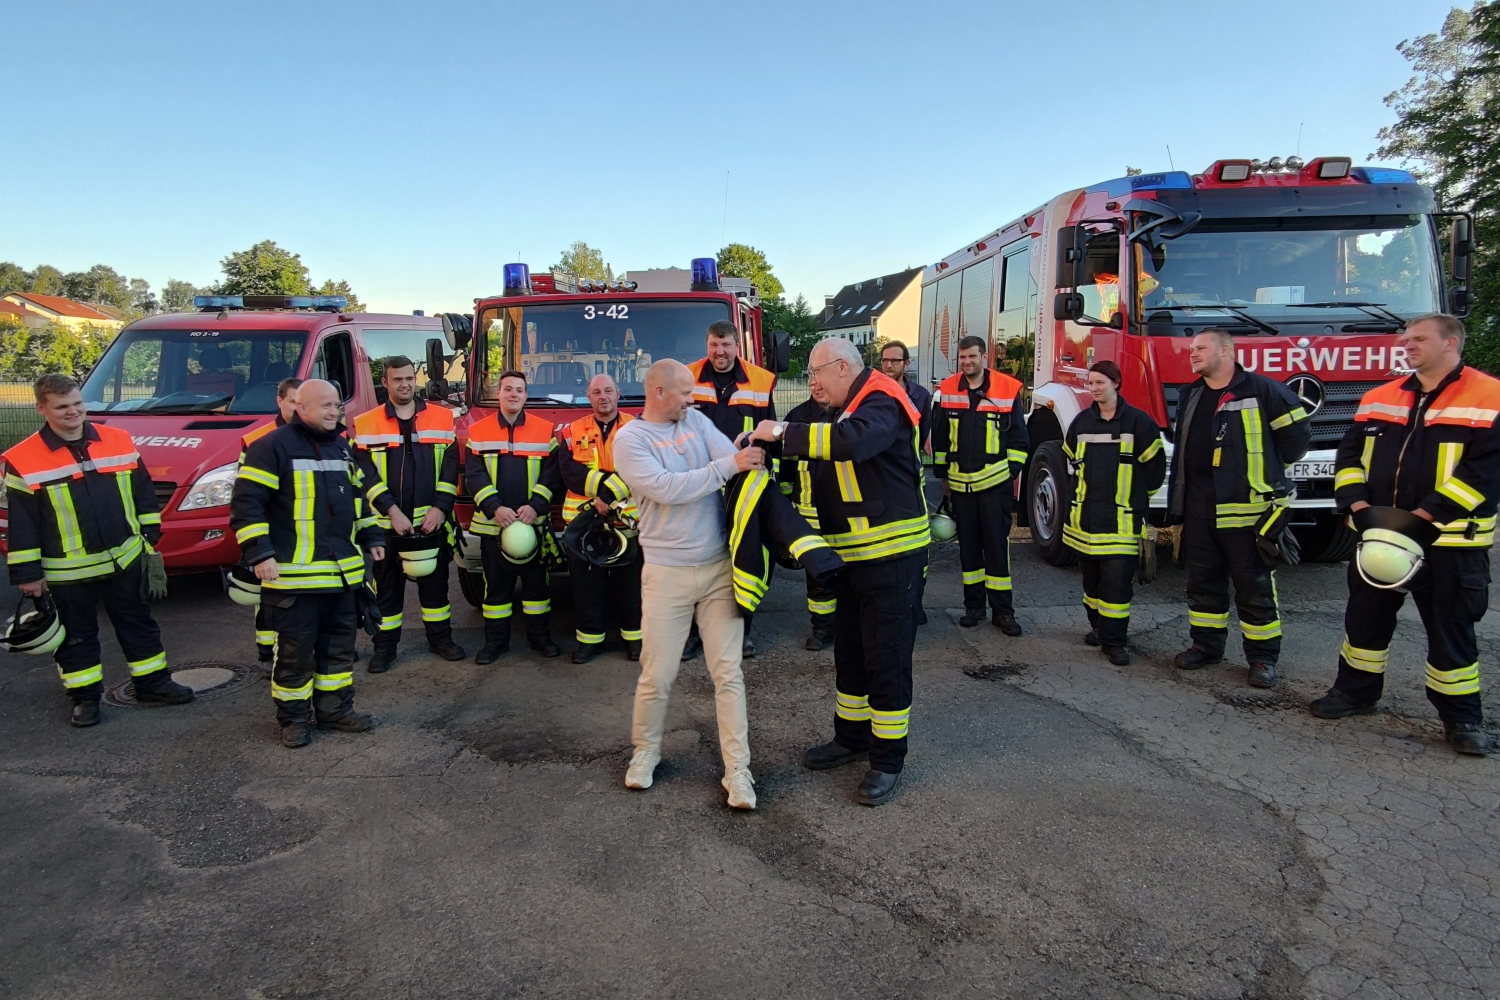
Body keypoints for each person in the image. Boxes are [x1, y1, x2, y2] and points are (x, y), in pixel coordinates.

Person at [748, 337, 929, 807]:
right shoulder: (842, 409)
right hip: (850, 559)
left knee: (886, 661)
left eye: (816, 373)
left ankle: (887, 761)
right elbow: (818, 453)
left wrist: (781, 432)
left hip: (891, 557)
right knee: (850, 654)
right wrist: (762, 450)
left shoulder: (882, 398)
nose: (811, 383)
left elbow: (852, 443)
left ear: (843, 368)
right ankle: (852, 738)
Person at [1314, 313, 1500, 754]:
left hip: (1450, 542)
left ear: (1450, 343)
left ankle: (1462, 719)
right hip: (1379, 537)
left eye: (1418, 338)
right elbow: (1349, 457)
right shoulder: (1380, 397)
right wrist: (1357, 506)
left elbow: (1484, 474)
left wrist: (1423, 517)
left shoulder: (1490, 396)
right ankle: (1354, 692)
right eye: (1406, 338)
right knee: (1365, 620)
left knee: (1451, 630)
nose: (1407, 344)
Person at [612, 359, 765, 810]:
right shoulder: (630, 440)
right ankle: (645, 752)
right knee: (657, 674)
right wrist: (729, 466)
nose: (691, 399)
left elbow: (727, 455)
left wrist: (746, 446)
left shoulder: (695, 421)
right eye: (683, 392)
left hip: (718, 568)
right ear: (658, 392)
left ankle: (738, 770)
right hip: (666, 573)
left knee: (728, 674)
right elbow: (667, 488)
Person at [4, 373, 193, 727]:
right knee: (76, 637)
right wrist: (28, 575)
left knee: (139, 625)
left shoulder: (118, 439)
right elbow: (22, 523)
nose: (73, 411)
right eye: (62, 406)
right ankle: (85, 698)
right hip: (67, 569)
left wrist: (149, 532)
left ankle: (153, 683)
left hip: (125, 557)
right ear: (41, 409)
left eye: (77, 403)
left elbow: (142, 490)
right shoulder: (23, 458)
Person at [231, 379, 385, 748]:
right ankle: (294, 720)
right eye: (326, 406)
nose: (335, 411)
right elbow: (246, 506)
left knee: (338, 651)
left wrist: (372, 538)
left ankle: (335, 711)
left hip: (341, 576)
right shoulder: (270, 448)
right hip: (293, 579)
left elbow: (358, 501)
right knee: (294, 655)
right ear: (301, 408)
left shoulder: (342, 448)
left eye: (337, 405)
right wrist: (260, 554)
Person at [1163, 330, 1311, 688]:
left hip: (1248, 511)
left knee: (1254, 587)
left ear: (1226, 351)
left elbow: (1296, 443)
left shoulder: (1265, 391)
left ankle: (1262, 659)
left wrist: (1266, 474)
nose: (1192, 354)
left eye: (1201, 348)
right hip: (1199, 507)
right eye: (1191, 349)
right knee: (1202, 583)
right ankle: (1205, 646)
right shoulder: (1191, 394)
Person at [352, 356, 464, 673]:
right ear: (385, 383)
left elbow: (450, 469)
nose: (404, 384)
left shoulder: (442, 418)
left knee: (436, 591)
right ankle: (385, 649)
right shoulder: (366, 424)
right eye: (397, 379)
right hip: (388, 526)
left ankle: (440, 640)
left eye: (409, 379)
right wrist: (391, 510)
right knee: (387, 593)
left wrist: (440, 508)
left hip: (431, 523)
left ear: (416, 381)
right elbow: (364, 475)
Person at [1062, 361, 1166, 666]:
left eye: (1100, 383)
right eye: (1091, 383)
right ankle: (1098, 627)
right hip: (1085, 523)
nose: (1094, 388)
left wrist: (1136, 500)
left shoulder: (1138, 423)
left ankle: (1115, 642)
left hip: (1122, 522)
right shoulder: (1081, 423)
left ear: (1116, 383)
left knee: (1117, 586)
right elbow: (1071, 468)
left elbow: (1155, 472)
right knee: (1091, 585)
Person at [687, 320, 778, 658]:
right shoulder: (687, 377)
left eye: (725, 345)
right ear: (707, 344)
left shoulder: (760, 380)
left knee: (744, 557)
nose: (719, 352)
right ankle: (695, 634)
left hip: (743, 483)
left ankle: (741, 632)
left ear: (737, 346)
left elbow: (769, 434)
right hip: (700, 484)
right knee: (698, 561)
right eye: (714, 345)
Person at [931, 335, 1029, 635]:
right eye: (962, 357)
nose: (967, 362)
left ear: (984, 357)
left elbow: (1019, 440)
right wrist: (943, 476)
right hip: (960, 488)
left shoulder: (1006, 388)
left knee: (997, 549)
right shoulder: (948, 389)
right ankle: (973, 608)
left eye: (972, 356)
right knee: (969, 550)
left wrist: (1010, 473)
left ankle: (1003, 612)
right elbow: (941, 437)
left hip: (994, 487)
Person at [464, 370, 562, 664]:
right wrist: (495, 508)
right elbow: (474, 476)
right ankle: (495, 643)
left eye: (519, 390)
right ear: (498, 393)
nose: (513, 394)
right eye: (508, 389)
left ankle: (540, 639)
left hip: (533, 525)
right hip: (494, 527)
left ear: (526, 396)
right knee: (496, 590)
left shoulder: (544, 430)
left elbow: (552, 475)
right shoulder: (478, 432)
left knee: (537, 589)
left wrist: (535, 506)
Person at [557, 374, 642, 664]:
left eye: (608, 391)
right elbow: (568, 472)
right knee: (586, 588)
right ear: (588, 396)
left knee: (631, 587)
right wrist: (605, 493)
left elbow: (641, 467)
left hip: (627, 523)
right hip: (584, 525)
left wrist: (605, 496)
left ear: (618, 394)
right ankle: (589, 642)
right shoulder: (571, 431)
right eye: (596, 392)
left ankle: (635, 641)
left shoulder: (638, 428)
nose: (603, 396)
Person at [239, 376, 302, 671]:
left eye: (303, 403)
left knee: (309, 601)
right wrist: (258, 547)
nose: (298, 409)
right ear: (279, 401)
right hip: (275, 534)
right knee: (269, 598)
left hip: (309, 533)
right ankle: (267, 653)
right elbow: (247, 498)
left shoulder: (325, 436)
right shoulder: (257, 440)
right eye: (292, 402)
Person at [879, 339, 933, 625]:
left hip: (912, 482)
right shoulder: (873, 393)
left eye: (895, 361)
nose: (889, 365)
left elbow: (920, 437)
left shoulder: (921, 396)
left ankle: (915, 604)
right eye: (885, 360)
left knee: (916, 549)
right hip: (881, 482)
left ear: (906, 364)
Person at [778, 391, 837, 650]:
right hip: (809, 512)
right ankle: (822, 629)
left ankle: (850, 626)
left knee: (853, 574)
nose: (816, 384)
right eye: (812, 376)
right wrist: (786, 512)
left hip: (846, 513)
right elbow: (785, 469)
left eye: (820, 375)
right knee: (818, 576)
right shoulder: (797, 416)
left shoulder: (850, 412)